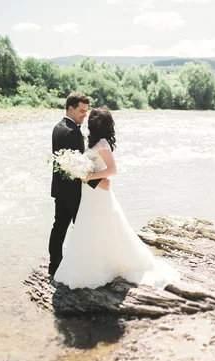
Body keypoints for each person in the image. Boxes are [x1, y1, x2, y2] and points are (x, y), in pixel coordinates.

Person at [53, 108, 180, 290]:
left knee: (103, 225)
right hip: (90, 194)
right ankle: (95, 261)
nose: (87, 121)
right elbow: (93, 168)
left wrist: (90, 177)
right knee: (90, 226)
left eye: (90, 119)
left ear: (96, 124)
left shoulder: (103, 144)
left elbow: (113, 170)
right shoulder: (94, 142)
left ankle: (106, 264)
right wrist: (82, 172)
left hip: (98, 195)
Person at [48, 93, 110, 278]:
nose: (84, 115)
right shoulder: (74, 132)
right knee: (81, 228)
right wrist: (99, 182)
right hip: (74, 191)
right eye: (81, 111)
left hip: (59, 188)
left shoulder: (57, 127)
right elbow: (78, 167)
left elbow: (66, 164)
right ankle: (83, 268)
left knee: (58, 227)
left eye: (86, 111)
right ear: (70, 109)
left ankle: (54, 266)